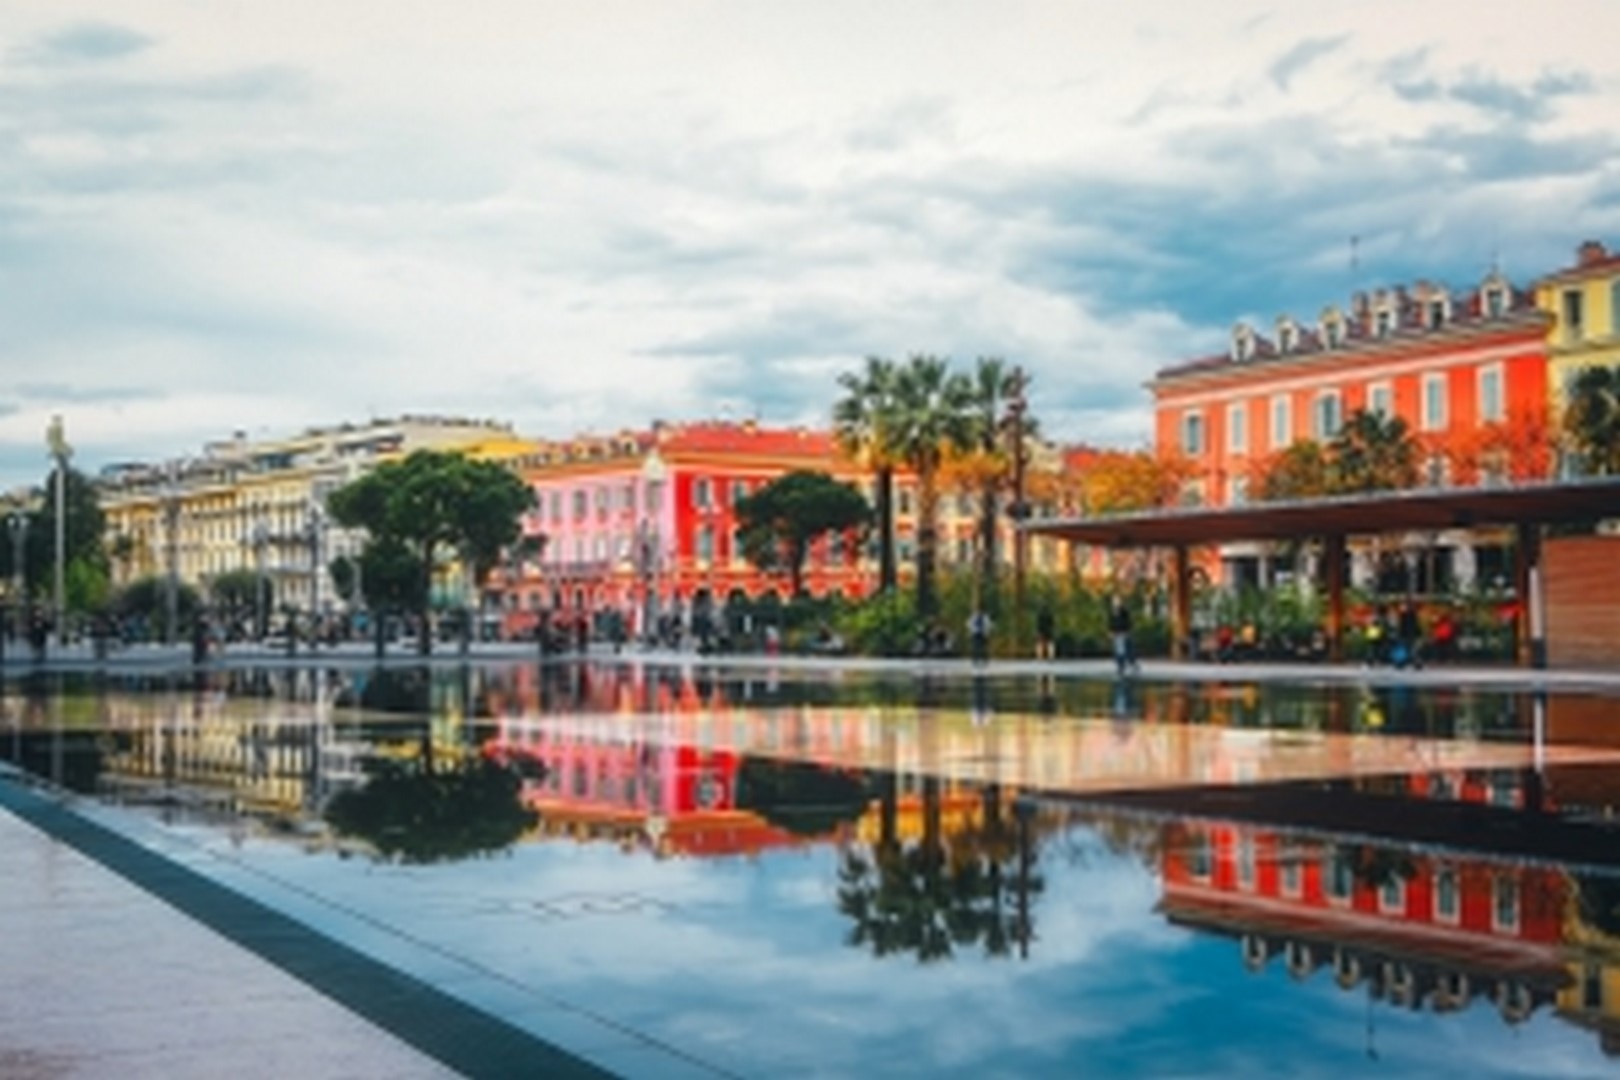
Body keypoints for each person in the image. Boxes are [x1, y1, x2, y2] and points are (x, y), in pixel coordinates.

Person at [1108, 597, 1137, 676]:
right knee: (1119, 651)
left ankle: (1129, 665)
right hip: (1117, 634)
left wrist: (1127, 631)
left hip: (1123, 633)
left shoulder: (1124, 611)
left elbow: (1128, 622)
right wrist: (1111, 631)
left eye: (1117, 601)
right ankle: (1121, 666)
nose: (1116, 603)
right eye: (1114, 602)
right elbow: (1111, 622)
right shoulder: (1112, 612)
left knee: (1125, 650)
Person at [1396, 601, 1422, 670]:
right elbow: (1416, 625)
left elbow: (1402, 626)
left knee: (1406, 649)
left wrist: (1399, 633)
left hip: (1407, 634)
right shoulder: (1412, 615)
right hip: (1411, 634)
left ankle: (1402, 663)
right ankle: (1416, 663)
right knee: (1411, 649)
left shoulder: (1404, 615)